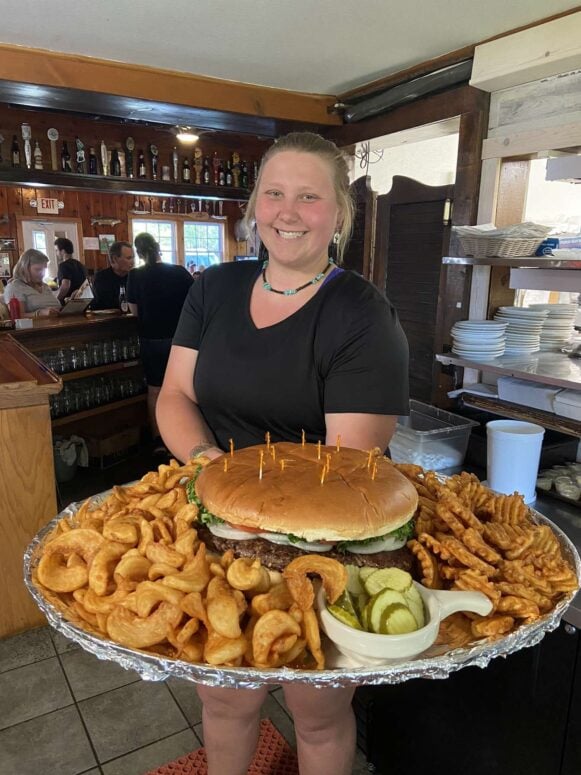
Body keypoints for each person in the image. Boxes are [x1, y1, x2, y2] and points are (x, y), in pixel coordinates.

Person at [156, 131, 409, 775]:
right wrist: (208, 464)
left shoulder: (361, 313)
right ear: (254, 203)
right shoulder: (212, 288)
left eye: (308, 196)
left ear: (339, 215)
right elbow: (175, 396)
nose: (287, 212)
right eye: (273, 192)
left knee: (316, 711)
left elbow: (345, 469)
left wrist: (246, 505)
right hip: (214, 532)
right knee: (223, 700)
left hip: (320, 553)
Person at [127, 232, 193, 447]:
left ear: (138, 252)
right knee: (184, 389)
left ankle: (158, 440)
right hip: (182, 339)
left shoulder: (135, 275)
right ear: (158, 248)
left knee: (155, 390)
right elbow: (195, 305)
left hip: (151, 339)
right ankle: (185, 438)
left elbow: (134, 312)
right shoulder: (179, 273)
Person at [4, 248, 60, 317]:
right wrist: (39, 313)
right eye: (38, 269)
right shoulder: (15, 287)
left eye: (44, 269)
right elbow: (18, 316)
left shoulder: (45, 286)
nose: (42, 273)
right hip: (39, 326)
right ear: (25, 268)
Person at [91, 240, 134, 310]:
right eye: (129, 258)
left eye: (133, 258)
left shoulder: (134, 277)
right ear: (114, 259)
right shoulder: (101, 278)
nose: (132, 262)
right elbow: (101, 304)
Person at [55, 237, 87, 303]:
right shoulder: (81, 265)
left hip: (68, 303)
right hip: (82, 301)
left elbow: (65, 286)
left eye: (57, 250)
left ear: (63, 251)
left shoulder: (63, 266)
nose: (56, 253)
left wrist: (56, 300)